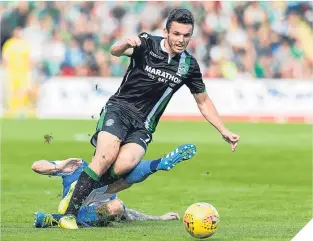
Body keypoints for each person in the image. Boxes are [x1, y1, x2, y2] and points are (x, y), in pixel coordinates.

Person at [60, 8, 240, 229]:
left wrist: (223, 130)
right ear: (166, 31)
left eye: (186, 35)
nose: (181, 40)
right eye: (176, 34)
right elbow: (114, 51)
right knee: (106, 156)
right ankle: (69, 214)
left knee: (126, 163)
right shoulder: (146, 43)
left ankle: (80, 189)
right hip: (119, 109)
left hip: (144, 125)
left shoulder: (189, 66)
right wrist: (125, 44)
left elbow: (203, 101)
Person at [32, 144, 195, 227]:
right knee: (118, 196)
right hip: (89, 193)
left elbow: (126, 214)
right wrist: (57, 167)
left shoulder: (111, 186)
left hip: (95, 203)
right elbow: (37, 166)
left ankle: (58, 218)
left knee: (117, 204)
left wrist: (158, 218)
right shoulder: (76, 166)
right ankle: (156, 164)